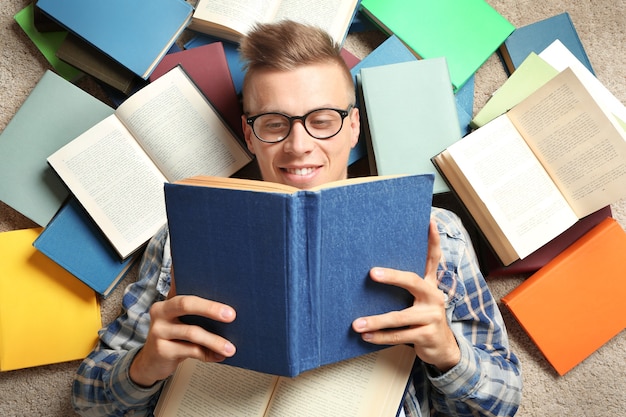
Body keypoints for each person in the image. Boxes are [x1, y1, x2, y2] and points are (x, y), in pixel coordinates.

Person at [72, 21, 522, 417]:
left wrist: (447, 353)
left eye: (322, 120)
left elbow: (502, 404)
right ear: (250, 134)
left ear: (353, 127)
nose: (299, 145)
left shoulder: (435, 230)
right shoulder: (183, 234)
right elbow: (88, 401)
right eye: (274, 123)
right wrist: (145, 365)